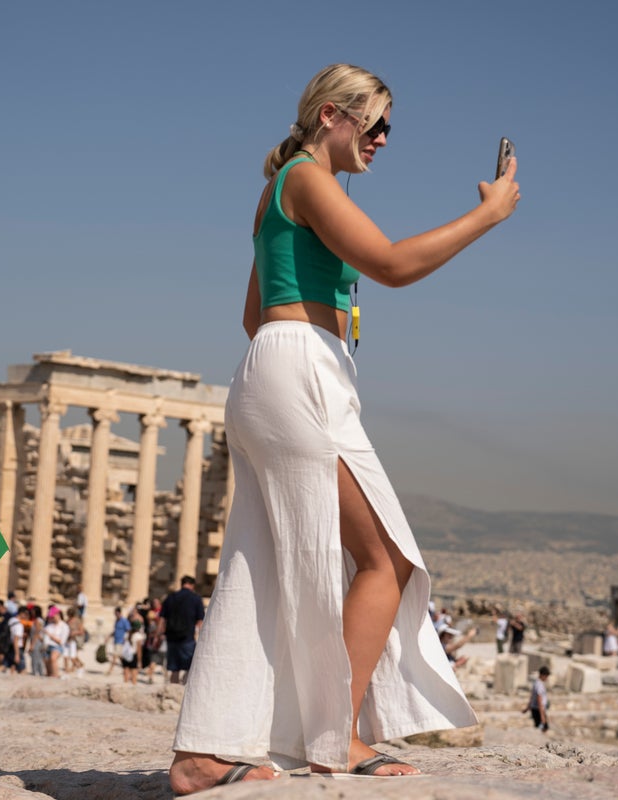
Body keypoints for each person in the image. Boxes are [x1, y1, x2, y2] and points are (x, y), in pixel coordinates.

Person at [169, 63, 518, 794]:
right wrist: (487, 215)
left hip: (279, 366)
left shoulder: (280, 187)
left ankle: (210, 750)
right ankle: (339, 738)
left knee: (261, 564)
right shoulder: (304, 178)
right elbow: (390, 264)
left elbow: (250, 313)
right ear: (333, 114)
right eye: (377, 122)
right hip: (299, 374)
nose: (385, 139)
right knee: (385, 559)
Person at [158, 576, 205, 685]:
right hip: (187, 637)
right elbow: (200, 621)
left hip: (171, 637)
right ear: (192, 585)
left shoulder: (170, 598)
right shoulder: (196, 598)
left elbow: (162, 619)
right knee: (191, 667)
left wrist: (158, 634)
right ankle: (184, 689)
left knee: (174, 669)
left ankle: (174, 691)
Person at [524, 666, 550, 732]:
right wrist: (542, 715)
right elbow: (539, 699)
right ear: (543, 675)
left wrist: (528, 707)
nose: (547, 678)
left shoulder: (536, 683)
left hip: (536, 709)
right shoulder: (539, 685)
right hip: (538, 709)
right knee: (542, 728)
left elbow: (532, 696)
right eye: (546, 676)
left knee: (541, 727)